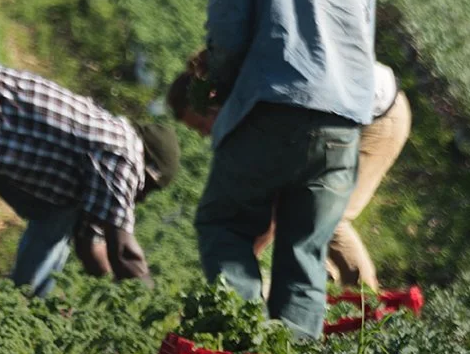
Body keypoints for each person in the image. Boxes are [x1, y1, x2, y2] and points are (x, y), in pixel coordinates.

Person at [194, 0, 379, 338]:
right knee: (305, 251)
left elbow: (227, 36)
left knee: (226, 225)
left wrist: (217, 87)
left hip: (274, 108)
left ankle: (242, 347)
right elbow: (364, 40)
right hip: (343, 122)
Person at [0, 63, 180, 296]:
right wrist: (146, 301)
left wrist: (107, 294)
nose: (142, 197)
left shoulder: (110, 149)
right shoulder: (125, 153)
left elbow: (90, 243)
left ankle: (24, 300)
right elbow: (122, 252)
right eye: (150, 188)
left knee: (61, 212)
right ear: (148, 170)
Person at [169, 61, 411, 292]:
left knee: (329, 215)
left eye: (202, 126)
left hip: (380, 118)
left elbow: (276, 199)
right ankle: (329, 300)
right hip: (346, 119)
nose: (206, 135)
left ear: (212, 103)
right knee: (307, 212)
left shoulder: (255, 104)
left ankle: (369, 310)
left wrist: (243, 262)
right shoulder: (244, 104)